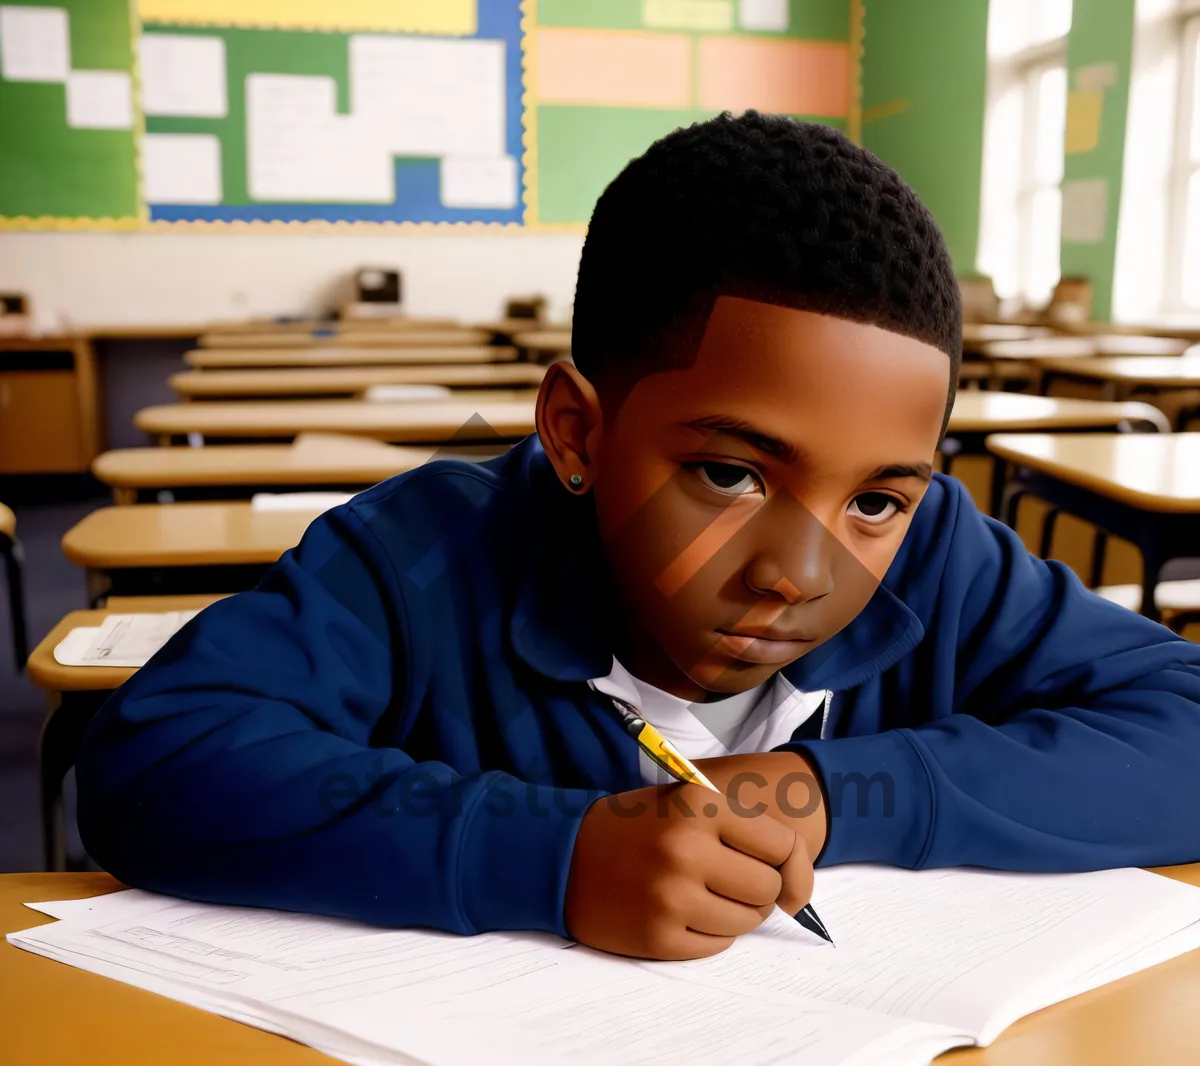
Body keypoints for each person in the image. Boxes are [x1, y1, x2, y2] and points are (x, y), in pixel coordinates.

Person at [77, 113, 1200, 962]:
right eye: (728, 474)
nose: (797, 577)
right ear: (576, 431)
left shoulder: (940, 553)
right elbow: (157, 760)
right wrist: (551, 857)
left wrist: (825, 792)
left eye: (875, 500)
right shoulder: (429, 550)